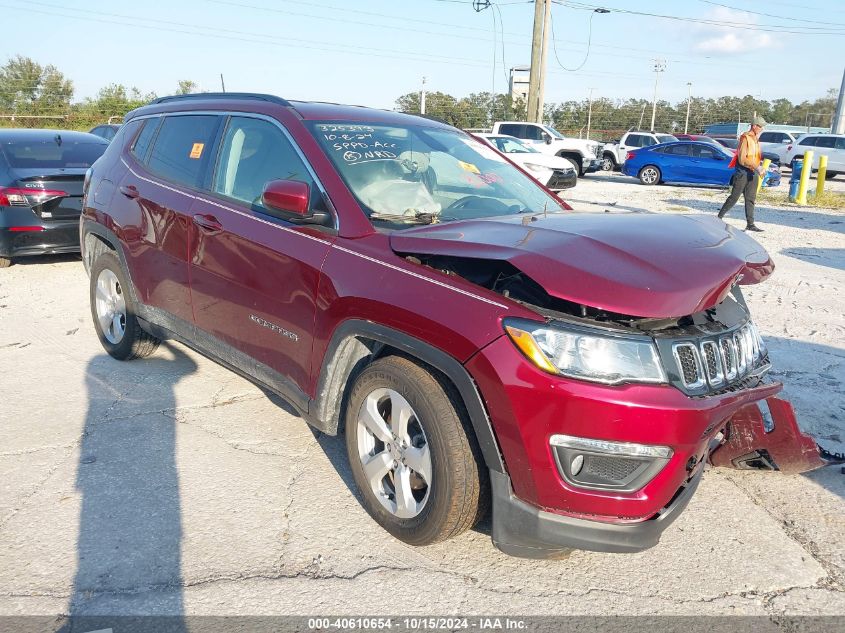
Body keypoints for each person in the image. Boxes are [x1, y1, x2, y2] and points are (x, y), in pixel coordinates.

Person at [717, 115, 767, 232]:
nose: (762, 129)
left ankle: (750, 224)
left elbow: (754, 157)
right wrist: (757, 167)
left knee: (750, 198)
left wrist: (759, 168)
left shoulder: (755, 138)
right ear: (754, 126)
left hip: (752, 171)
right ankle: (718, 218)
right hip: (743, 171)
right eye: (760, 126)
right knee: (734, 197)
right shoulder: (745, 138)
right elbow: (742, 159)